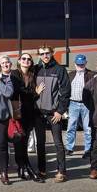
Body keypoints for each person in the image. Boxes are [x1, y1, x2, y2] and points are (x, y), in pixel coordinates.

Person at [34, 46, 70, 179]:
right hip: (38, 113)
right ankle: (42, 170)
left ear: (52, 53)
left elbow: (66, 92)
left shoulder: (59, 69)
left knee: (58, 143)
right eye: (42, 54)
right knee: (40, 143)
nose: (45, 56)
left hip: (54, 113)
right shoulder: (36, 69)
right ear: (39, 55)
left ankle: (61, 171)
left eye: (47, 53)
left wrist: (60, 111)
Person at [9, 53, 43, 182]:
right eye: (24, 58)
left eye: (29, 59)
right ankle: (25, 167)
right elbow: (19, 91)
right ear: (19, 61)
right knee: (19, 141)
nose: (26, 61)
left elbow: (26, 94)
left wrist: (32, 94)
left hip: (30, 113)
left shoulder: (32, 75)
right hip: (17, 112)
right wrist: (35, 93)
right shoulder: (14, 74)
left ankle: (23, 167)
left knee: (25, 140)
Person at [65, 54, 95, 157]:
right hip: (73, 103)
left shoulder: (92, 74)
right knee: (71, 127)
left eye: (82, 64)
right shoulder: (70, 75)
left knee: (88, 129)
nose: (80, 66)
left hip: (86, 105)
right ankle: (69, 148)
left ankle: (88, 150)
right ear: (75, 64)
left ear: (85, 63)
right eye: (78, 64)